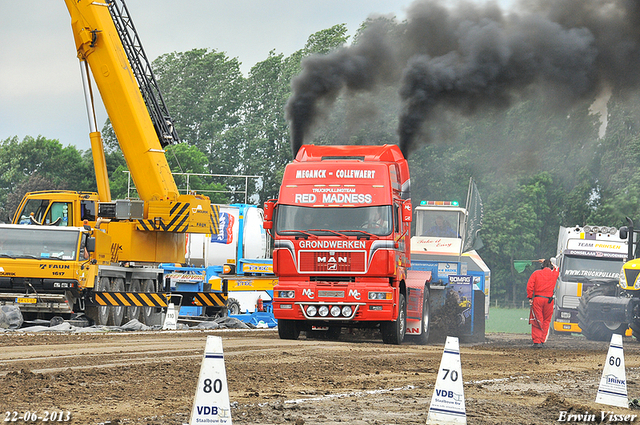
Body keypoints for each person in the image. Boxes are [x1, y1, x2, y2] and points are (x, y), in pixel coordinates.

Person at [527, 258, 559, 348]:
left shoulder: (536, 273)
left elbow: (530, 286)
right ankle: (542, 341)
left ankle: (537, 342)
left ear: (542, 266)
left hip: (538, 299)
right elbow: (557, 268)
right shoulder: (554, 274)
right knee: (546, 321)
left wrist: (530, 297)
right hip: (549, 301)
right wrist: (549, 261)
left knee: (537, 320)